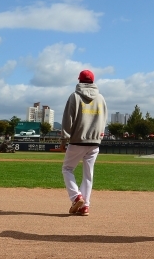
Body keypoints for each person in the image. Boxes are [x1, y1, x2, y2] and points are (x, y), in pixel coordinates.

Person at [60, 70, 108, 217]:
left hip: (77, 140)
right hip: (94, 142)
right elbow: (104, 119)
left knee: (67, 169)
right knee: (88, 174)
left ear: (79, 80)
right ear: (93, 81)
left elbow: (68, 119)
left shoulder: (75, 96)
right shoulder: (100, 98)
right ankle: (85, 206)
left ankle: (76, 197)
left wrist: (64, 139)